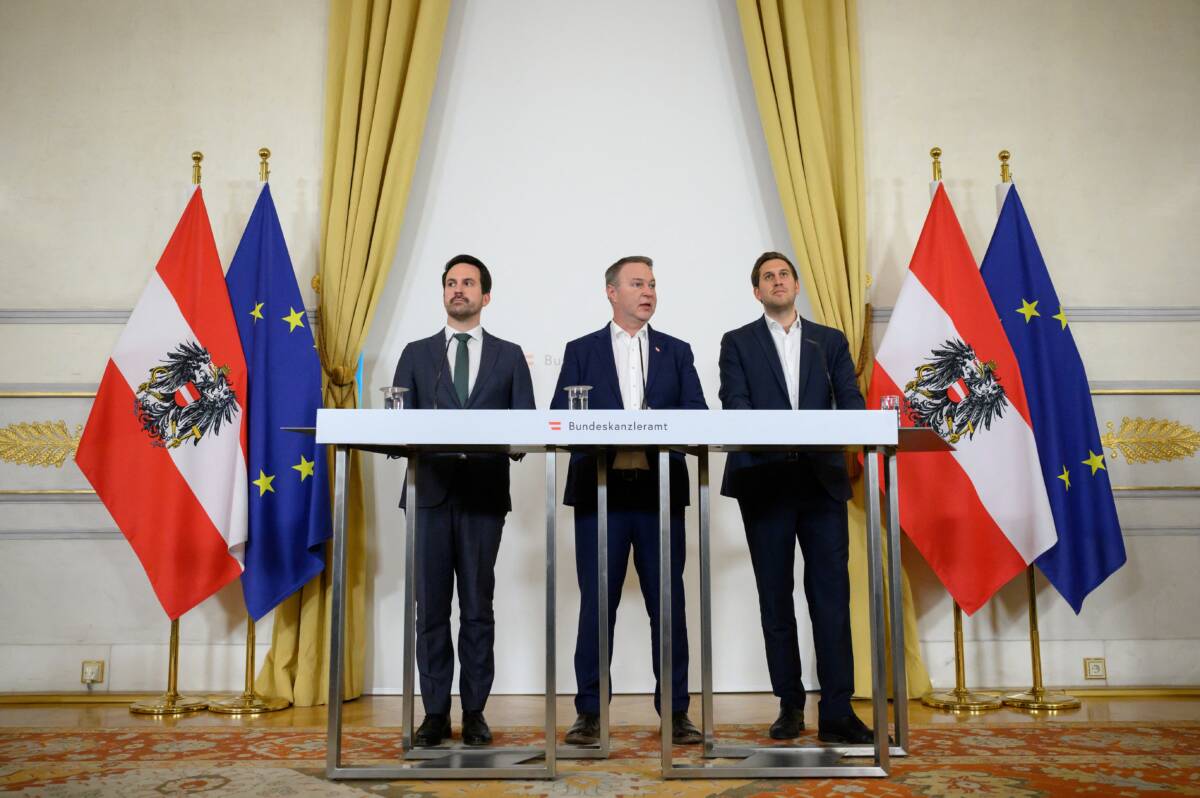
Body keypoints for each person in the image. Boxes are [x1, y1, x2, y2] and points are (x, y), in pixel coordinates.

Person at [717, 251, 875, 744]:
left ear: (797, 285)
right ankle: (789, 705)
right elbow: (735, 404)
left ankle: (837, 711)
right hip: (764, 482)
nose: (777, 281)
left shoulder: (829, 341)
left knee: (831, 599)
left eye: (784, 274)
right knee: (775, 598)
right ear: (757, 291)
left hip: (820, 481)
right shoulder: (737, 342)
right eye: (768, 277)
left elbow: (851, 402)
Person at [550, 255, 706, 746]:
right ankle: (590, 712)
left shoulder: (676, 351)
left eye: (653, 284)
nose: (648, 292)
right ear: (612, 292)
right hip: (601, 493)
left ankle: (676, 712)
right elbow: (559, 417)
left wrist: (657, 425)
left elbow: (698, 414)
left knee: (669, 606)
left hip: (660, 494)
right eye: (637, 283)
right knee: (597, 606)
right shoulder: (581, 350)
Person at [392, 254, 535, 747]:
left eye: (468, 283)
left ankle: (474, 711)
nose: (458, 289)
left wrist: (490, 436)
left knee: (477, 608)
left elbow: (526, 428)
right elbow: (396, 423)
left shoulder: (509, 356)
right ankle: (435, 713)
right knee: (430, 610)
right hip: (428, 495)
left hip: (482, 497)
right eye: (451, 282)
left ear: (485, 296)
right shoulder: (416, 354)